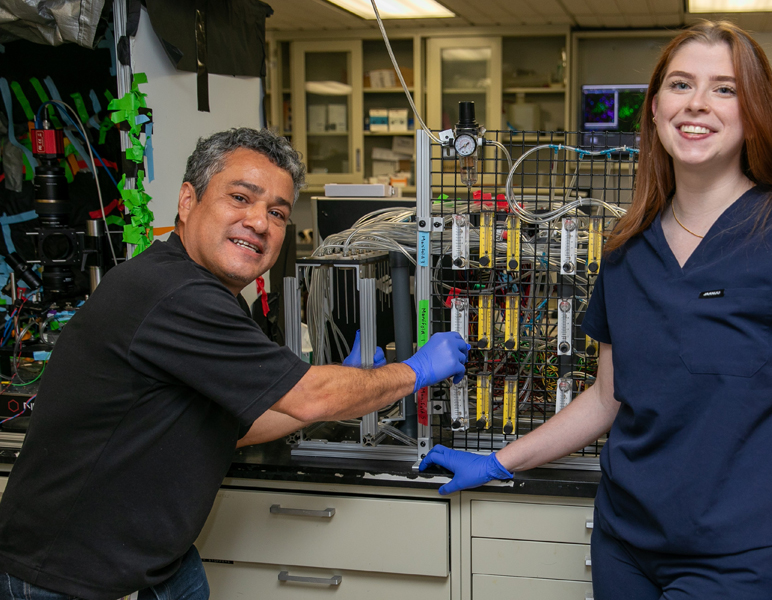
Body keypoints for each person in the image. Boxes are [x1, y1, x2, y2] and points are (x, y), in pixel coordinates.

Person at [420, 21, 772, 600]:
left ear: (755, 111)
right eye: (680, 84)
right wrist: (496, 462)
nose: (697, 104)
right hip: (624, 545)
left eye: (725, 89)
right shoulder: (629, 245)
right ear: (656, 108)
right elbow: (607, 397)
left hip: (737, 557)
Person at [0, 127, 469, 600]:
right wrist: (414, 371)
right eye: (241, 197)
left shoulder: (208, 294)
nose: (260, 222)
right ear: (188, 200)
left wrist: (343, 398)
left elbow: (231, 423)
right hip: (65, 574)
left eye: (277, 212)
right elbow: (308, 397)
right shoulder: (176, 294)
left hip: (154, 561)